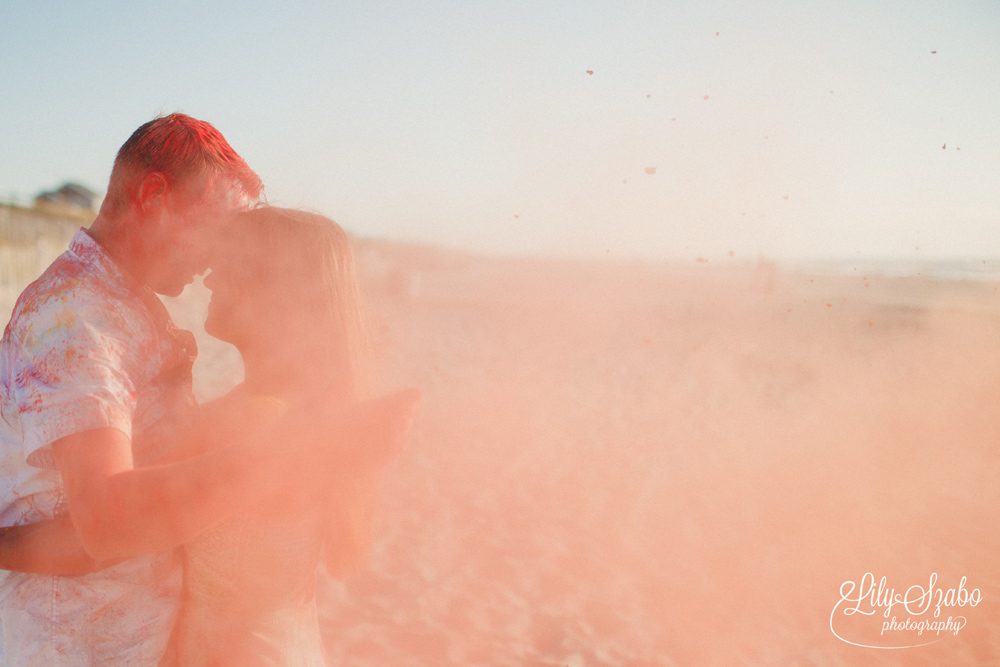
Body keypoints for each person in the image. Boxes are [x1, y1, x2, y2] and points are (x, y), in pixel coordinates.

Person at [0, 115, 414, 663]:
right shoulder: (78, 317)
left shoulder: (131, 308)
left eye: (238, 252)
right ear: (155, 196)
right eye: (218, 232)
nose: (215, 262)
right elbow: (106, 525)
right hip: (79, 648)